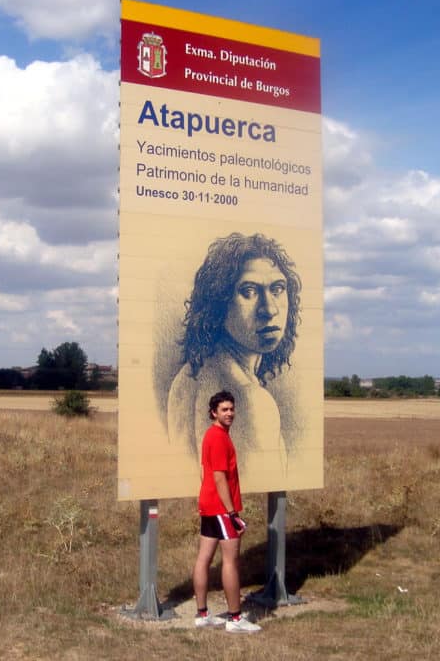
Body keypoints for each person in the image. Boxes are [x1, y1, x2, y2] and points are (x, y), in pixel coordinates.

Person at [167, 233, 301, 479]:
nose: (269, 309)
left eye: (278, 289)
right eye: (249, 291)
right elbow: (255, 487)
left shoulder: (187, 377)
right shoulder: (251, 401)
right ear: (218, 303)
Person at [191, 390, 261, 633]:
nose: (230, 413)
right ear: (213, 412)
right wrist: (232, 514)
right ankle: (234, 619)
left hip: (209, 505)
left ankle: (202, 615)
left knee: (204, 558)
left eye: (231, 409)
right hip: (221, 508)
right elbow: (220, 478)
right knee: (230, 561)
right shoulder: (219, 438)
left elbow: (204, 471)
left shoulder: (210, 435)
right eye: (224, 410)